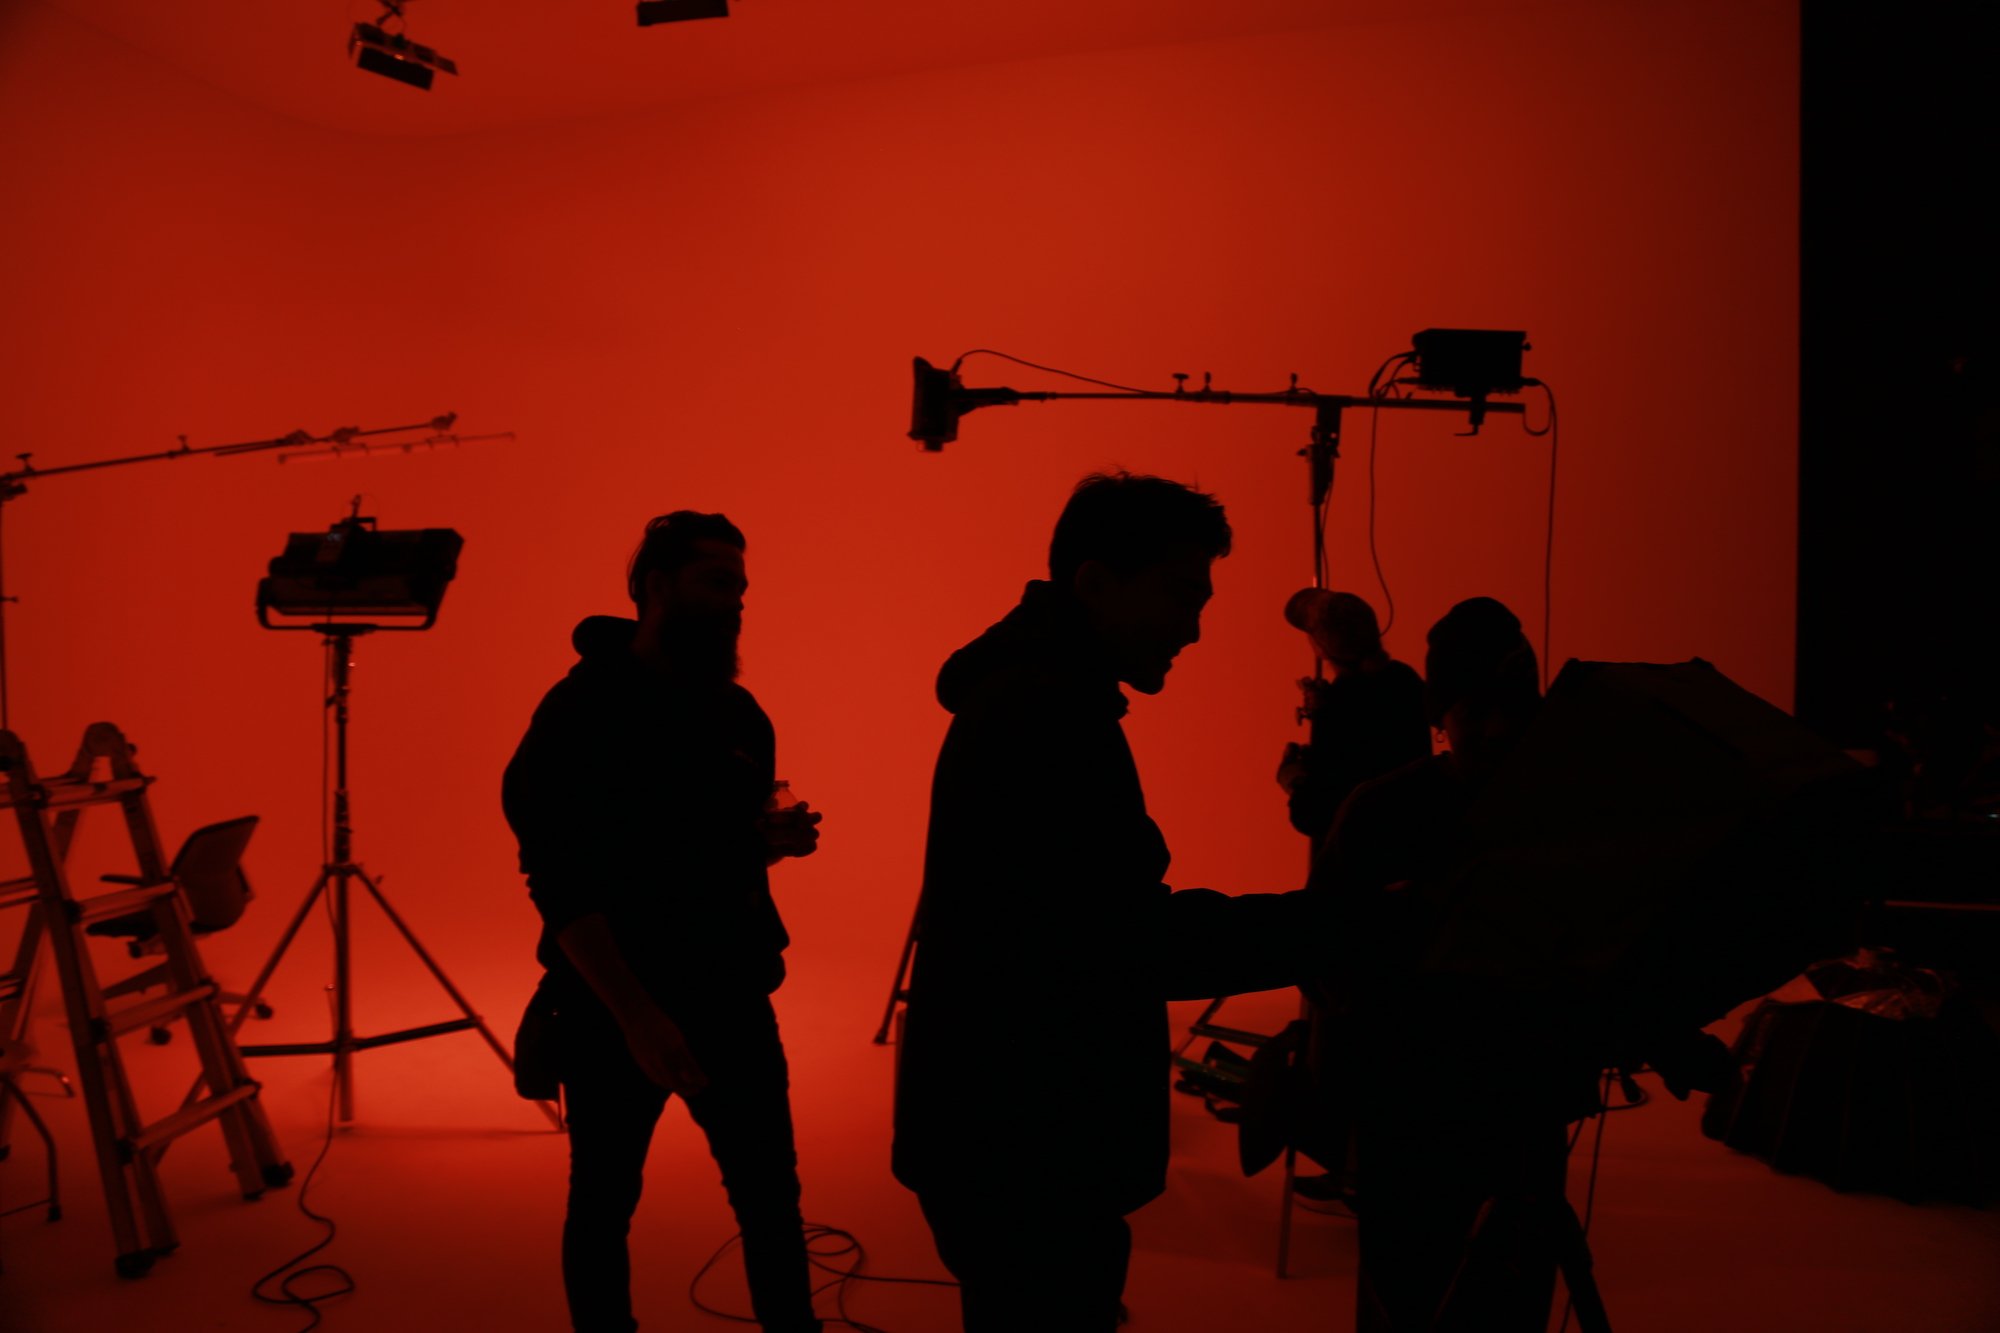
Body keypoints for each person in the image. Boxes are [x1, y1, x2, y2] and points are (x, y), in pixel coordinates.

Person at [892, 472, 1313, 1333]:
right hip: (1027, 1154)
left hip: (1009, 1147)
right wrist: (1341, 924)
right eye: (1179, 594)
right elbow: (1132, 943)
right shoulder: (1043, 719)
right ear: (1093, 582)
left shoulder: (1038, 702)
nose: (1194, 628)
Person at [502, 512, 824, 1333]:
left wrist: (771, 842)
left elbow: (713, 845)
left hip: (732, 993)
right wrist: (638, 1017)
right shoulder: (577, 714)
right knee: (604, 1205)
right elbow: (562, 882)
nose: (736, 603)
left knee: (772, 1202)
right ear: (654, 585)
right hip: (616, 1007)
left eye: (741, 588)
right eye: (717, 581)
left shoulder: (739, 715)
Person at [1309, 596, 1580, 1333]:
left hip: (1522, 1108)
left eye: (1514, 708)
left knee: (1508, 1298)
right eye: (1476, 708)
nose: (1498, 727)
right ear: (1441, 712)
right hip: (1411, 1112)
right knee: (1407, 1295)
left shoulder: (1562, 818)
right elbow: (1324, 954)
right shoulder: (1378, 814)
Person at [1276, 589, 1431, 846]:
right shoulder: (1405, 680)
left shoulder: (1339, 705)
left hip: (1361, 865)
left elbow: (1314, 815)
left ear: (1321, 647)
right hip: (1414, 844)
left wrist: (1293, 779)